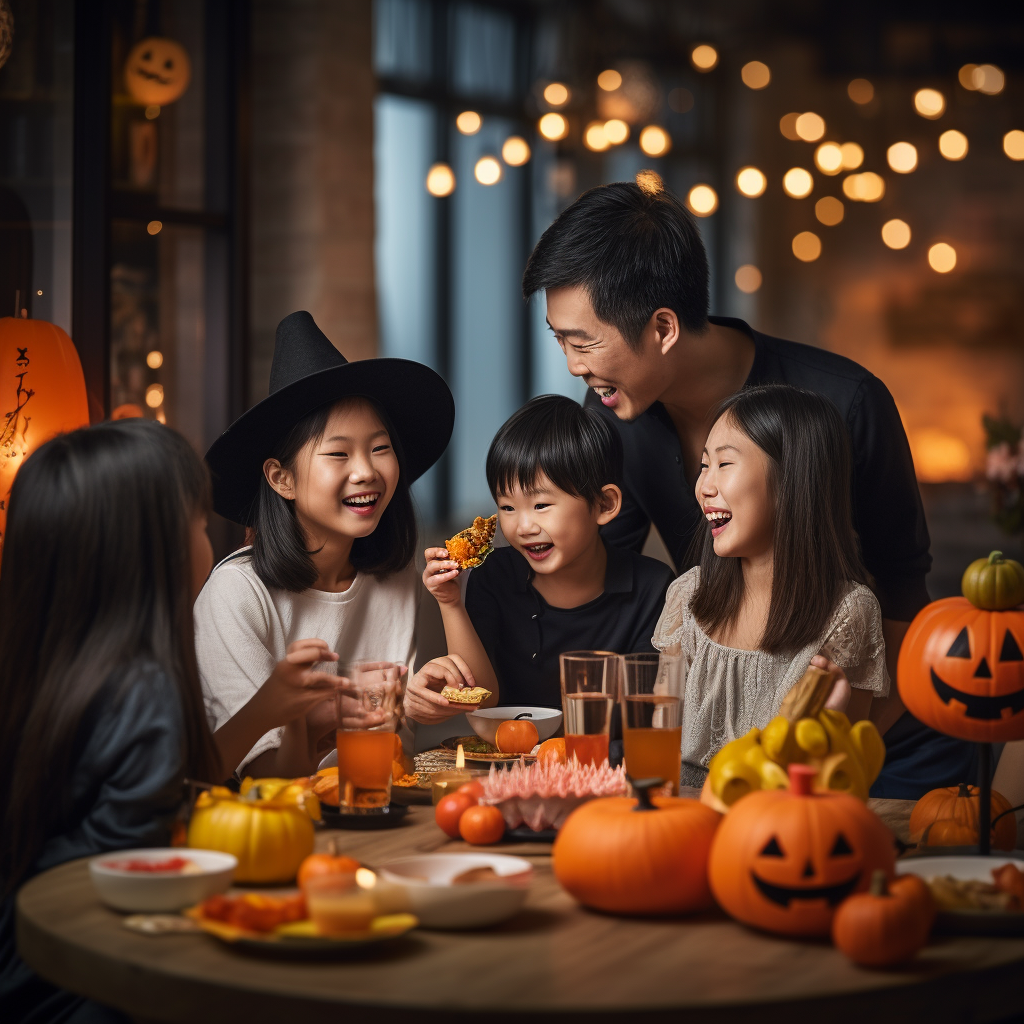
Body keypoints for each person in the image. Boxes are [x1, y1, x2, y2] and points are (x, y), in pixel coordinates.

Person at [522, 176, 976, 797]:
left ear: (662, 327)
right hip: (727, 751)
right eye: (561, 341)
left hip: (877, 731)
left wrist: (834, 744)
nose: (574, 365)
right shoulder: (612, 413)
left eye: (584, 343)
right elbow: (612, 577)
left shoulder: (847, 402)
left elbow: (901, 588)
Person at [0, 419, 222, 1024]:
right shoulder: (144, 692)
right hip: (79, 987)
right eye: (200, 524)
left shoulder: (36, 668)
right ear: (156, 554)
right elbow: (133, 894)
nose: (209, 538)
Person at [196, 311, 477, 778]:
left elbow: (391, 751)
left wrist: (411, 701)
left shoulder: (393, 582)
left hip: (378, 814)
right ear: (281, 478)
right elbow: (259, 774)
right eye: (338, 453)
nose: (366, 471)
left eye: (380, 448)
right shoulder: (237, 595)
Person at [651, 385, 888, 787]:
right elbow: (659, 737)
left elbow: (838, 780)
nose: (704, 486)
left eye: (724, 464)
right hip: (680, 817)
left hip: (776, 821)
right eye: (703, 465)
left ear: (794, 478)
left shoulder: (848, 613)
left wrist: (833, 721)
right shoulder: (687, 596)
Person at [410, 394, 675, 722]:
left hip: (608, 766)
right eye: (507, 507)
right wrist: (450, 603)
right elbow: (483, 700)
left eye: (541, 506)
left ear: (604, 505)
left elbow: (647, 718)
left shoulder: (653, 589)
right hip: (513, 763)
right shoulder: (496, 575)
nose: (522, 526)